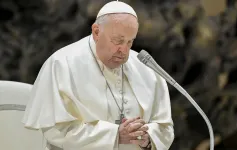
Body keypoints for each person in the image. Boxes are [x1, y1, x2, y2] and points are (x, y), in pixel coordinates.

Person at [22, 1, 174, 150]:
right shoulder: (61, 64)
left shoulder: (146, 69)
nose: (124, 51)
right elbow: (56, 130)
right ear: (96, 32)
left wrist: (147, 139)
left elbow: (164, 128)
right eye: (118, 41)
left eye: (130, 42)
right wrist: (115, 135)